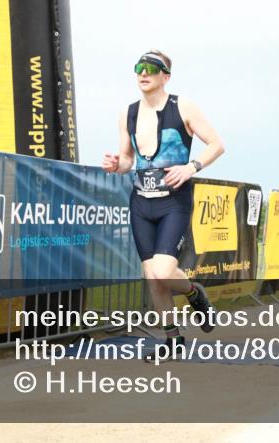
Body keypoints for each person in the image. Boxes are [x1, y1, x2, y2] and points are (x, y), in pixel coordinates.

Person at [102, 49, 225, 359]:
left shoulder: (183, 106)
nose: (143, 74)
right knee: (151, 277)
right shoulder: (127, 113)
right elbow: (128, 159)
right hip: (141, 201)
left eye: (151, 69)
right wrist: (116, 164)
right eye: (139, 68)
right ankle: (172, 341)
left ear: (165, 76)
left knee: (162, 271)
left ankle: (195, 294)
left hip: (174, 200)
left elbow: (217, 144)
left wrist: (191, 167)